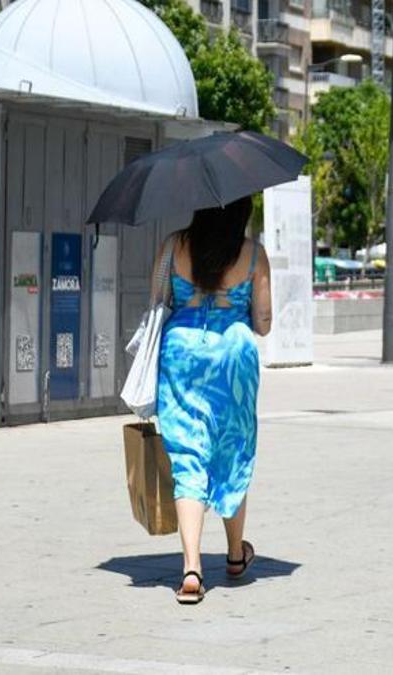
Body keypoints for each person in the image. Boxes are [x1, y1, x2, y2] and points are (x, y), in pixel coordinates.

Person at [154, 196, 272, 605]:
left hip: (182, 351)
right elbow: (264, 322)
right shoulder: (254, 254)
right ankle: (236, 555)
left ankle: (191, 568)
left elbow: (157, 299)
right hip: (233, 356)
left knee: (188, 455)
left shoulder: (174, 245)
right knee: (232, 449)